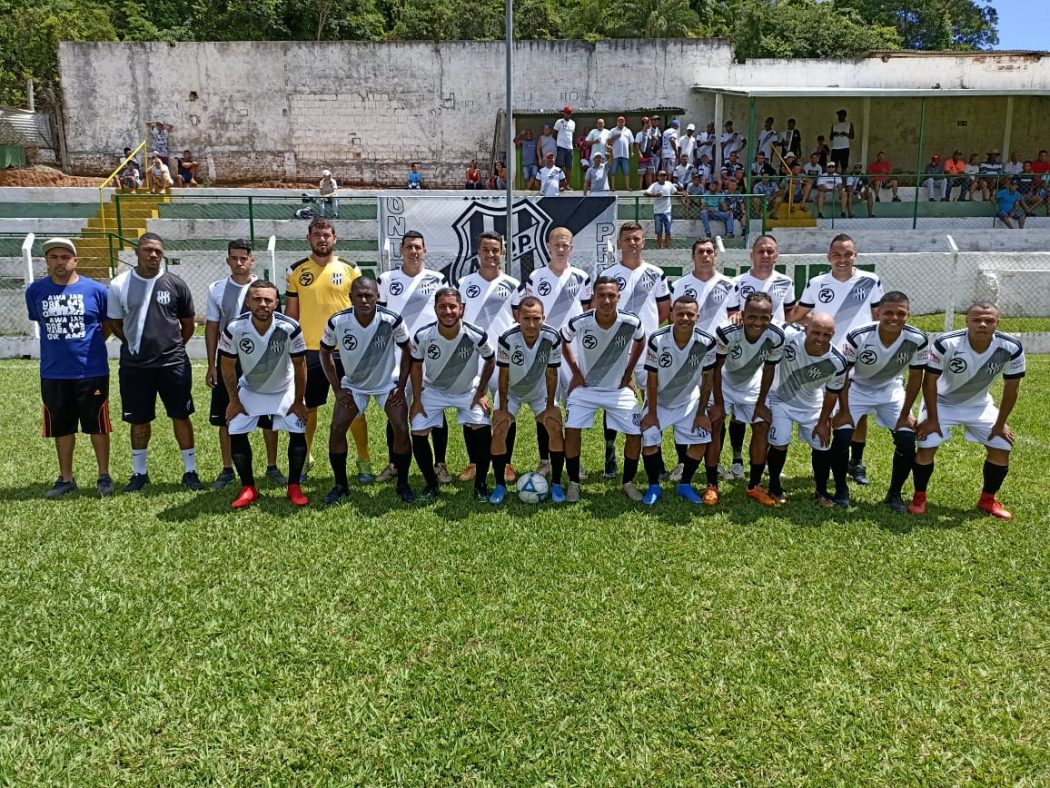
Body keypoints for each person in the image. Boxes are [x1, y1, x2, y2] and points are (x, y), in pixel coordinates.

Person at [911, 303, 1024, 520]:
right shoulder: (947, 343)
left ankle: (987, 500)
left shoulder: (1011, 347)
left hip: (979, 405)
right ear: (967, 322)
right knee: (926, 444)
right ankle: (919, 497)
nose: (982, 324)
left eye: (989, 320)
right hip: (942, 403)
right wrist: (933, 419)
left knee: (1002, 445)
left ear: (997, 323)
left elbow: (1012, 388)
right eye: (976, 320)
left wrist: (1000, 424)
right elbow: (930, 382)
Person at [107, 233, 201, 492]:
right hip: (135, 366)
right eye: (148, 250)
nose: (153, 255)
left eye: (158, 251)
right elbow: (115, 322)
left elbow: (187, 324)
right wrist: (135, 344)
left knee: (181, 415)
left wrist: (171, 347)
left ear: (163, 254)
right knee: (139, 420)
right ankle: (139, 474)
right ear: (137, 252)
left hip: (173, 364)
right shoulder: (119, 284)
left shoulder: (176, 284)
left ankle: (190, 471)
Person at [791, 234, 884, 485]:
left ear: (855, 255)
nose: (842, 259)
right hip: (828, 359)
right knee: (829, 410)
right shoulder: (817, 283)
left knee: (858, 411)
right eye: (837, 254)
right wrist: (814, 327)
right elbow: (797, 315)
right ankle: (830, 458)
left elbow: (878, 317)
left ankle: (856, 461)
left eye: (847, 254)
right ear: (828, 256)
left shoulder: (871, 281)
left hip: (860, 358)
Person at [284, 218, 372, 482]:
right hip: (310, 351)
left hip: (346, 349)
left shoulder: (350, 269)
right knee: (309, 408)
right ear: (308, 238)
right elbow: (291, 314)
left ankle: (364, 460)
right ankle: (307, 458)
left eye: (326, 235)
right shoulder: (296, 270)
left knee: (355, 407)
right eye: (316, 235)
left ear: (335, 238)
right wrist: (290, 348)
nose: (322, 239)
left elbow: (362, 310)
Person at [26, 238, 113, 498]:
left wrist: (89, 346)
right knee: (61, 428)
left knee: (97, 425)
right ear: (47, 262)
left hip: (92, 371)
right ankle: (66, 478)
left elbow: (106, 325)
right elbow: (38, 321)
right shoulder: (35, 291)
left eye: (65, 257)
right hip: (54, 372)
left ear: (75, 260)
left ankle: (104, 476)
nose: (60, 262)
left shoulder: (96, 290)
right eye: (54, 257)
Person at [319, 277, 415, 504]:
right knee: (336, 428)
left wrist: (401, 388)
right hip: (354, 386)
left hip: (387, 385)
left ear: (377, 297)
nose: (364, 299)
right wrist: (338, 389)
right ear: (350, 297)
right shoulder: (338, 322)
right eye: (359, 295)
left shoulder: (391, 319)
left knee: (401, 428)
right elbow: (324, 352)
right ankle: (341, 485)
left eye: (369, 295)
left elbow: (408, 351)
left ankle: (403, 483)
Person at [219, 281, 309, 509]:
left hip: (285, 389)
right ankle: (248, 487)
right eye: (257, 299)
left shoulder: (290, 327)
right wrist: (234, 401)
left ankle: (294, 486)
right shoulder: (234, 328)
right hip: (251, 389)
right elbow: (227, 366)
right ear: (248, 302)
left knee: (298, 429)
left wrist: (298, 401)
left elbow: (300, 366)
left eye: (268, 300)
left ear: (276, 303)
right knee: (236, 427)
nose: (263, 304)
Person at [204, 240, 285, 490]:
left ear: (252, 260)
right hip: (229, 360)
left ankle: (272, 467)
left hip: (262, 362)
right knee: (226, 416)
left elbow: (278, 327)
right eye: (234, 258)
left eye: (243, 258)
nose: (239, 263)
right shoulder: (216, 289)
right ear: (228, 260)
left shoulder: (266, 290)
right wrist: (211, 364)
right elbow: (211, 327)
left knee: (269, 416)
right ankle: (228, 470)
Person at [839, 291, 928, 512]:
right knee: (841, 437)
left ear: (909, 314)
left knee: (907, 442)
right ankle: (841, 490)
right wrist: (842, 409)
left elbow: (917, 377)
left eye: (901, 313)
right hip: (856, 388)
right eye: (888, 312)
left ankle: (894, 494)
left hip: (890, 390)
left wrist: (906, 413)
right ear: (878, 312)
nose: (894, 318)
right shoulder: (859, 335)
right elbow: (842, 374)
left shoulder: (917, 339)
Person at [560, 277, 645, 503]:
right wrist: (576, 372)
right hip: (586, 388)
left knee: (636, 433)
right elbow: (564, 339)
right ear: (594, 298)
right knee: (571, 430)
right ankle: (574, 483)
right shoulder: (580, 321)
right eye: (601, 296)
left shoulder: (631, 322)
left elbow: (641, 340)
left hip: (618, 390)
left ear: (619, 297)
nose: (606, 300)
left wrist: (628, 374)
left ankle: (628, 482)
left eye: (611, 295)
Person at [410, 288, 496, 502]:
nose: (448, 311)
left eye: (452, 306)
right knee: (418, 431)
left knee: (483, 430)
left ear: (461, 309)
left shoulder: (476, 334)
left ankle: (481, 485)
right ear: (435, 309)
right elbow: (416, 365)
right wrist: (417, 400)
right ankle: (431, 484)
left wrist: (481, 391)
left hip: (468, 391)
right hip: (433, 390)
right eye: (442, 306)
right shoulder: (423, 335)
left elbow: (491, 359)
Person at [601, 222, 671, 476]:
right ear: (619, 243)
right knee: (614, 401)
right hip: (617, 349)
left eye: (637, 238)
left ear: (643, 242)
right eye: (627, 238)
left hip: (649, 348)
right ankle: (610, 453)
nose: (632, 242)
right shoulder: (608, 275)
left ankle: (657, 457)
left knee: (653, 401)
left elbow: (664, 309)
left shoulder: (656, 273)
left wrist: (649, 330)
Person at [522, 226, 592, 476]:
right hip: (544, 352)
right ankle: (545, 460)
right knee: (545, 404)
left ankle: (574, 461)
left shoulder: (582, 277)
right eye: (556, 245)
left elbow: (586, 313)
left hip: (574, 351)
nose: (561, 249)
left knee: (573, 406)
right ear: (548, 247)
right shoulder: (535, 277)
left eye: (566, 245)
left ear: (571, 248)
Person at [639, 296, 720, 506]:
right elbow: (652, 379)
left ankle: (685, 484)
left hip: (689, 401)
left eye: (690, 314)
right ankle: (654, 485)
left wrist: (701, 413)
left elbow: (708, 378)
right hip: (660, 401)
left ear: (698, 317)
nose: (685, 318)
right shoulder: (657, 339)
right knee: (649, 439)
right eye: (680, 313)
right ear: (672, 315)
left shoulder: (707, 341)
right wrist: (652, 412)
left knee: (701, 441)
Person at [766, 313, 851, 507]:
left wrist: (823, 422)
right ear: (805, 329)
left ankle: (821, 491)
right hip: (781, 400)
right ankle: (774, 486)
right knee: (780, 443)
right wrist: (738, 316)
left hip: (812, 405)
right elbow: (765, 319)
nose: (820, 339)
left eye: (826, 335)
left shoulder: (837, 361)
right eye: (816, 332)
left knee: (822, 446)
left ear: (833, 334)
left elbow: (832, 393)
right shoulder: (789, 335)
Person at [457, 232, 521, 483]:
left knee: (505, 409)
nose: (491, 255)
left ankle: (505, 463)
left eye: (496, 250)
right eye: (486, 249)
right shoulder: (464, 283)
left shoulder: (513, 284)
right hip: (474, 358)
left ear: (502, 252)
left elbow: (517, 320)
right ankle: (474, 461)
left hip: (504, 358)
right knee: (472, 407)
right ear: (478, 253)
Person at [489, 296, 564, 504]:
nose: (531, 324)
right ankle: (499, 485)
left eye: (536, 318)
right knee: (500, 429)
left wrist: (550, 407)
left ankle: (556, 484)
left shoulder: (552, 337)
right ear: (518, 317)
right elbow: (503, 375)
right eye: (526, 318)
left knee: (555, 427)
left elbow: (552, 373)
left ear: (543, 318)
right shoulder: (507, 338)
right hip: (512, 391)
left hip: (540, 391)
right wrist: (503, 409)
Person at [712, 292, 784, 505]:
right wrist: (718, 402)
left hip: (752, 384)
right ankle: (712, 485)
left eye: (764, 318)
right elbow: (716, 369)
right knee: (715, 424)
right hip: (725, 383)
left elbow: (769, 370)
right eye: (752, 317)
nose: (758, 322)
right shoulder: (726, 332)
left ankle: (754, 486)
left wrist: (761, 404)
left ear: (771, 318)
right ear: (742, 315)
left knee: (761, 427)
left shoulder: (776, 336)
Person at [727, 234, 797, 325]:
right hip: (747, 337)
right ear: (752, 255)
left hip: (776, 338)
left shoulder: (786, 282)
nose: (765, 255)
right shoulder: (736, 283)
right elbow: (732, 313)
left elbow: (789, 311)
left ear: (776, 256)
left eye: (770, 251)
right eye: (761, 251)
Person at [671, 237, 733, 337]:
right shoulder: (678, 285)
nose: (705, 255)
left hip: (720, 346)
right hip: (688, 346)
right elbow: (672, 318)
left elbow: (733, 318)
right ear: (692, 257)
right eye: (700, 252)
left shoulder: (730, 285)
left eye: (709, 251)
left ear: (715, 255)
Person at [645, 170, 679, 248]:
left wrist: (683, 193)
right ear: (658, 177)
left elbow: (675, 192)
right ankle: (660, 247)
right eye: (661, 175)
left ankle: (667, 246)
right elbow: (646, 193)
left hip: (667, 211)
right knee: (659, 231)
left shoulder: (669, 184)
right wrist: (655, 195)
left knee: (668, 231)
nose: (663, 177)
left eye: (664, 175)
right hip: (657, 211)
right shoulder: (654, 185)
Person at [607, 116, 633, 191]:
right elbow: (608, 142)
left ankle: (627, 187)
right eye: (619, 122)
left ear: (624, 122)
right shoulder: (613, 130)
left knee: (626, 171)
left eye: (622, 122)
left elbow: (631, 142)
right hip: (615, 154)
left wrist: (631, 152)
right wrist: (615, 137)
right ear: (617, 122)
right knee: (613, 171)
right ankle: (612, 187)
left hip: (625, 154)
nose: (621, 123)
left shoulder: (628, 131)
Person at [553, 106, 576, 177]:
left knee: (569, 167)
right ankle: (559, 184)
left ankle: (566, 185)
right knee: (559, 166)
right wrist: (559, 142)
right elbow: (554, 134)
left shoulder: (573, 123)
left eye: (569, 113)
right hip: (561, 147)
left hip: (570, 148)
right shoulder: (559, 122)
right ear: (564, 113)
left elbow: (571, 134)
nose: (568, 114)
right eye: (567, 113)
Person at [635, 116, 657, 189]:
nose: (650, 124)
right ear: (645, 123)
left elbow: (653, 146)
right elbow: (637, 145)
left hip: (650, 155)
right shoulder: (639, 134)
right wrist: (639, 153)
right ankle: (640, 189)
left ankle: (649, 189)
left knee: (649, 173)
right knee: (641, 173)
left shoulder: (651, 133)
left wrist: (654, 140)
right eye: (648, 122)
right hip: (643, 155)